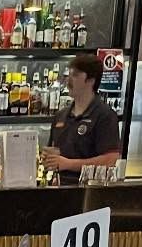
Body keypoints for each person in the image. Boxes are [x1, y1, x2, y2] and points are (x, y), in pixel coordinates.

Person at [42, 53, 121, 183]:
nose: (68, 81)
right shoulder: (60, 116)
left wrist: (68, 164)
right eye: (68, 75)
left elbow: (110, 160)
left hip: (89, 193)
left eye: (75, 75)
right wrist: (48, 158)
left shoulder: (105, 115)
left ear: (91, 80)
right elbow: (54, 152)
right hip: (59, 190)